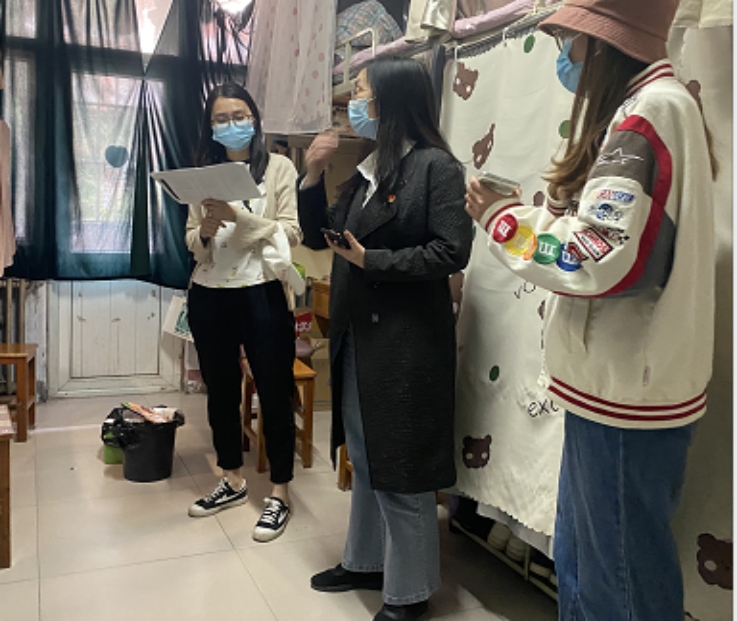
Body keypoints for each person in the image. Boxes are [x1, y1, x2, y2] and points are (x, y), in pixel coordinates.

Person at [464, 1, 717, 619]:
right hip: (617, 391)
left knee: (616, 588)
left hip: (625, 398)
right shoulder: (651, 109)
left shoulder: (649, 112)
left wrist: (503, 221)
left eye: (571, 41)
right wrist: (543, 213)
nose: (566, 55)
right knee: (590, 571)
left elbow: (597, 260)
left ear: (604, 44)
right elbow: (618, 243)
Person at [298, 58, 473, 621]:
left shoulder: (436, 168)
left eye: (362, 93)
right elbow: (319, 236)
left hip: (406, 345)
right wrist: (310, 176)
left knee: (401, 466)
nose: (353, 104)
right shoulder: (370, 169)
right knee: (367, 457)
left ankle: (410, 593)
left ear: (392, 102)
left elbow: (451, 251)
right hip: (359, 337)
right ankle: (366, 560)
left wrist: (372, 260)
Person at [185, 82, 302, 543]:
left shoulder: (278, 167)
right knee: (220, 392)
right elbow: (192, 239)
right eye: (220, 118)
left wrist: (240, 217)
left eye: (239, 115)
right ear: (210, 126)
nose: (231, 124)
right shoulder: (202, 175)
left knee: (274, 391)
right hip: (209, 294)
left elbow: (291, 232)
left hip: (263, 292)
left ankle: (280, 492)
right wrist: (206, 230)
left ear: (254, 118)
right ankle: (231, 479)